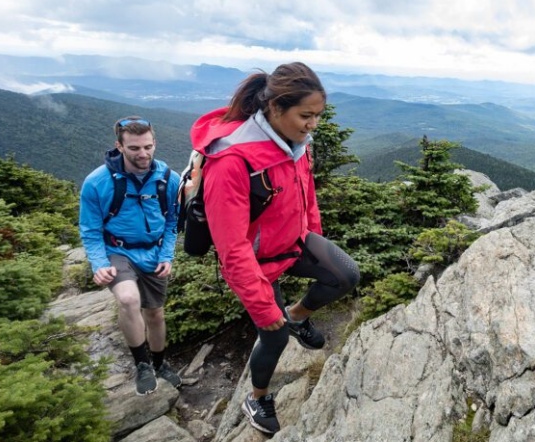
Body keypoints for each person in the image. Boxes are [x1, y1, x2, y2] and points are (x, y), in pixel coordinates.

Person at [190, 62, 360, 434]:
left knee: (345, 274)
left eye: (318, 115)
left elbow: (306, 195)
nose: (313, 124)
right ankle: (258, 395)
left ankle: (298, 315)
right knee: (274, 334)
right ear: (275, 107)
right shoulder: (232, 161)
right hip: (256, 263)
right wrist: (266, 308)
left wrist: (313, 235)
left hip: (293, 242)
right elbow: (232, 248)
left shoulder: (296, 144)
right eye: (305, 115)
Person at [79, 116, 182, 396]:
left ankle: (160, 364)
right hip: (117, 250)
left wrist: (167, 255)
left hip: (153, 252)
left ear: (155, 143)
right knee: (128, 298)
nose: (143, 154)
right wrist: (99, 263)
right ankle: (142, 365)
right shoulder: (97, 182)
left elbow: (173, 221)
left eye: (148, 147)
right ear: (119, 146)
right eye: (135, 148)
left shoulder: (168, 179)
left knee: (155, 314)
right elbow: (90, 229)